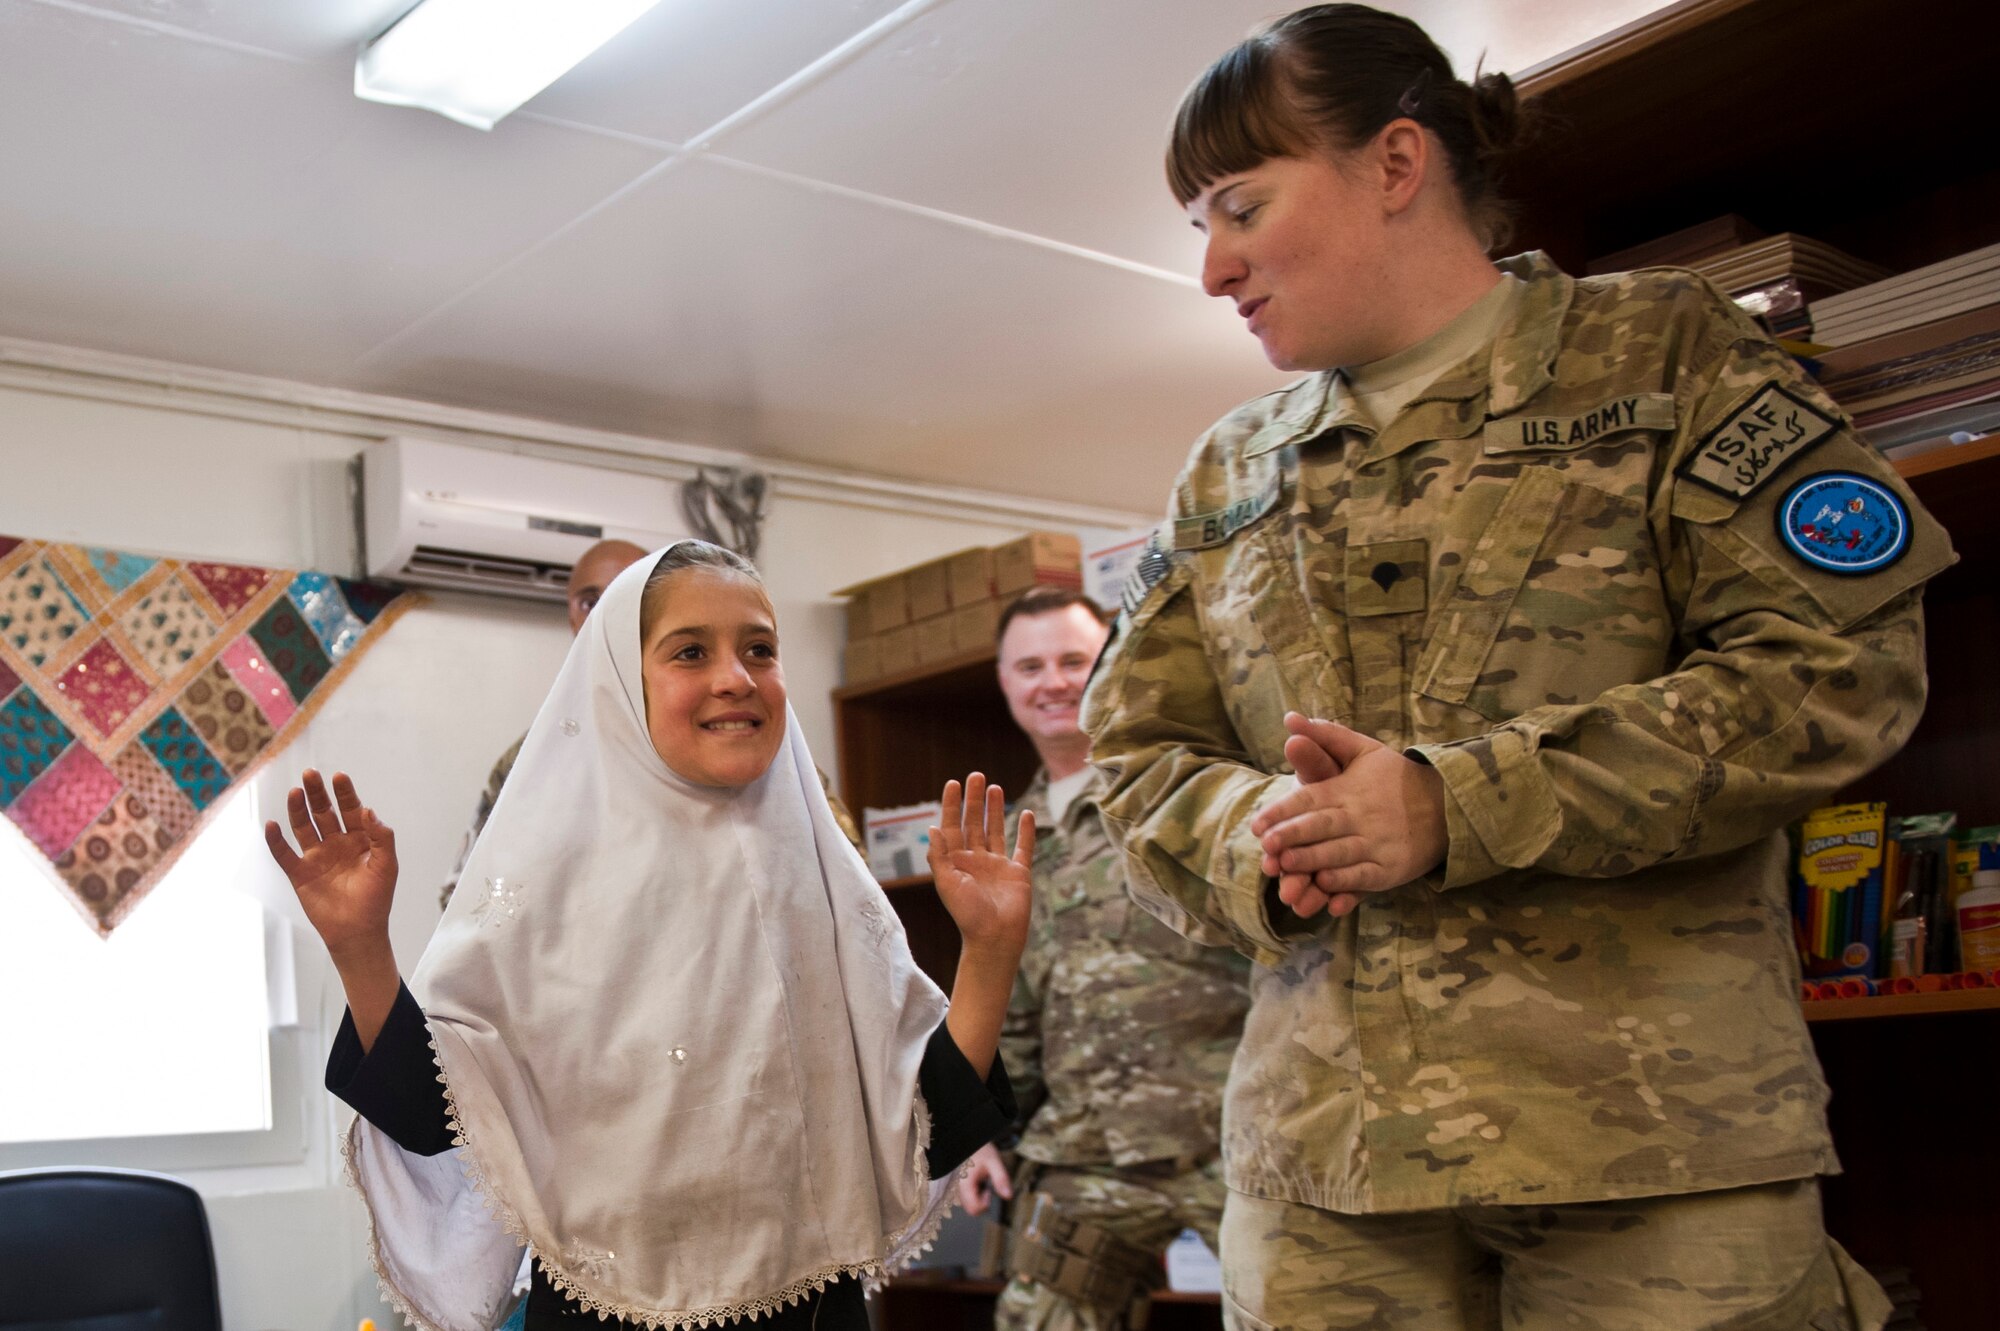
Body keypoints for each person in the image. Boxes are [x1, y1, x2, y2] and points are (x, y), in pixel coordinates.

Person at [1080, 6, 1953, 1329]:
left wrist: (1456, 799)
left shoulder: (1669, 351)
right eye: (1202, 225)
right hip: (1330, 1172)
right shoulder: (1226, 469)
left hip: (1652, 1153)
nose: (1214, 269)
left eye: (1241, 207)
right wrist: (1266, 831)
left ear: (1395, 163)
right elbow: (1136, 754)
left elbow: (1834, 666)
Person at [268, 541, 1034, 1330]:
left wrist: (990, 951)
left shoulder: (821, 871)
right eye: (691, 651)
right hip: (609, 1309)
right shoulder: (543, 873)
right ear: (621, 682)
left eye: (760, 649)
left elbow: (926, 1126)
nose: (735, 676)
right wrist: (360, 946)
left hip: (810, 1308)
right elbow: (443, 1120)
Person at [955, 586, 1249, 1330]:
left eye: (1073, 660)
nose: (1052, 681)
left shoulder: (1180, 793)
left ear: (1111, 664)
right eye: (1030, 665)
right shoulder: (1010, 833)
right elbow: (1013, 1005)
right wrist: (978, 1129)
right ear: (1005, 681)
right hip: (1087, 1151)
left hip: (1232, 1137)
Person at [441, 539, 860, 910]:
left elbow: (856, 894)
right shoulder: (535, 763)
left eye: (760, 649)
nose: (735, 679)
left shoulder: (785, 767)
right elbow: (474, 907)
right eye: (591, 602)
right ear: (572, 615)